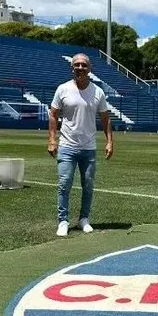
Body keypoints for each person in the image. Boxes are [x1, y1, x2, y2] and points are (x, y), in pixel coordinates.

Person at [48, 53, 114, 237]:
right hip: (67, 146)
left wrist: (110, 142)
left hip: (88, 148)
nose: (80, 68)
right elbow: (53, 114)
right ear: (72, 68)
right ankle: (63, 221)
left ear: (89, 68)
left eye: (84, 65)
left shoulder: (98, 92)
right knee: (64, 184)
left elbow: (105, 119)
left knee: (88, 185)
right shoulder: (63, 89)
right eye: (76, 65)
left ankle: (84, 219)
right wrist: (52, 140)